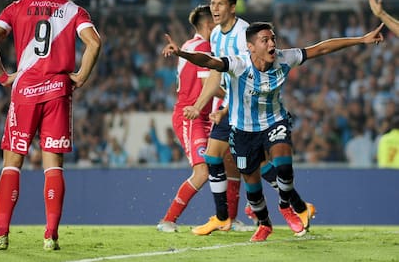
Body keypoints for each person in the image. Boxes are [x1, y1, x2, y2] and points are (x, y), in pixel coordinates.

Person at [163, 21, 384, 241]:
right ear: (251, 47)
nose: (272, 44)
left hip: (274, 122)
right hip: (243, 132)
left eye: (273, 39)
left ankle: (285, 206)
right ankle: (265, 224)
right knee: (253, 186)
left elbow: (321, 48)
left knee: (284, 164)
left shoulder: (284, 58)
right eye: (265, 40)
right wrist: (183, 53)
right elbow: (208, 61)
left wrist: (361, 39)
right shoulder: (239, 64)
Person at [0, 0, 101, 251]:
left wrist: (3, 77)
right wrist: (81, 75)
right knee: (53, 166)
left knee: (12, 163)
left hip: (25, 91)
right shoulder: (73, 10)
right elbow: (94, 43)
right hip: (58, 91)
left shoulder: (18, 6)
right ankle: (50, 235)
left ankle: (2, 232)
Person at [181, 0, 315, 236]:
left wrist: (224, 107)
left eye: (219, 4)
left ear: (232, 7)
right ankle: (293, 207)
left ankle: (285, 209)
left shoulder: (244, 33)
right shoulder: (218, 35)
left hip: (245, 109)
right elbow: (217, 71)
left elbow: (250, 77)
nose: (214, 8)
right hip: (230, 105)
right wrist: (204, 105)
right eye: (212, 3)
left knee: (249, 165)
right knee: (229, 160)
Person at [156, 4, 228, 232]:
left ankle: (229, 217)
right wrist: (235, 95)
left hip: (201, 115)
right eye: (216, 21)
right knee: (203, 172)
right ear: (209, 24)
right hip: (190, 116)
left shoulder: (189, 45)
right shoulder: (205, 47)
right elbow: (208, 85)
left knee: (225, 162)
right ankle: (168, 220)